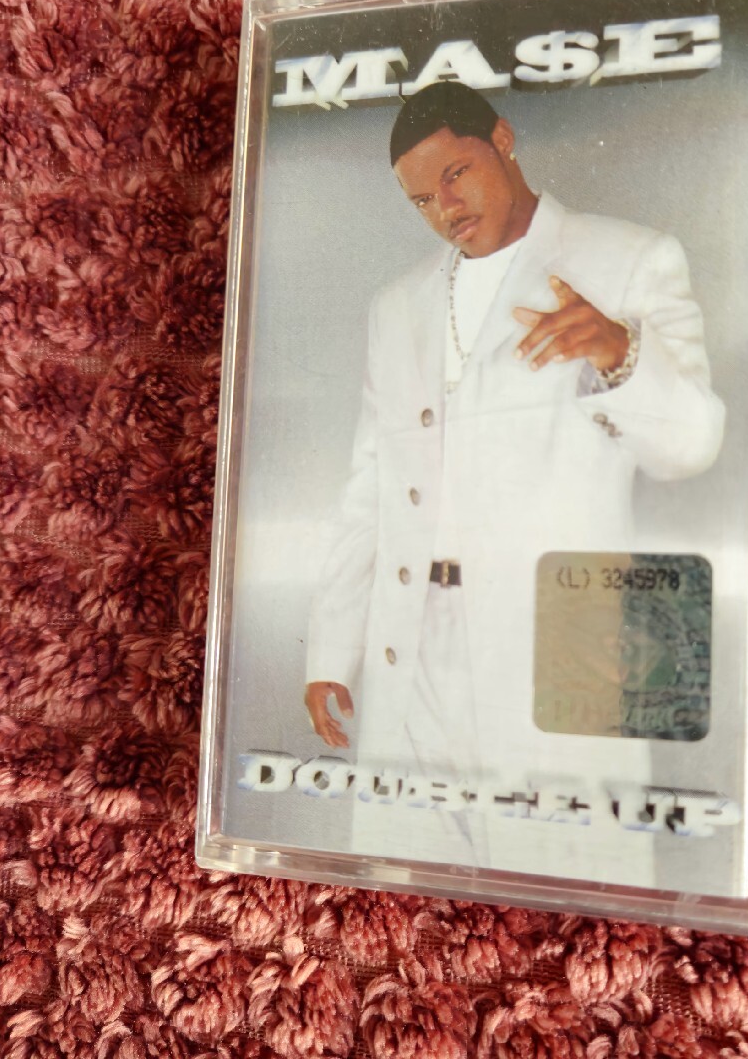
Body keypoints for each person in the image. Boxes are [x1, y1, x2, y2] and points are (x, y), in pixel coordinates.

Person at [303, 81, 725, 878]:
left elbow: (693, 444)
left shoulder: (628, 258)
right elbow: (371, 483)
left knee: (566, 887)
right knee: (410, 887)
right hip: (413, 647)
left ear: (502, 138)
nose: (444, 209)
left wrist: (619, 353)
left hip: (554, 644)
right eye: (421, 200)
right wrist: (330, 646)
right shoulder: (397, 306)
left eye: (455, 174)